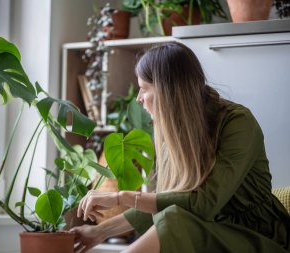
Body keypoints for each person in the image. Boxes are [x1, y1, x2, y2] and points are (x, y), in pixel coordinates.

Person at [70, 41, 290, 253]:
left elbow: (203, 204)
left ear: (168, 91)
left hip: (259, 238)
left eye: (143, 88)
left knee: (172, 221)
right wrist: (99, 231)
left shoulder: (237, 122)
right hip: (209, 231)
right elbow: (168, 202)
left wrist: (120, 197)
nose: (138, 99)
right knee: (172, 217)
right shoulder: (177, 131)